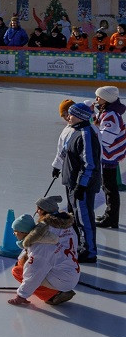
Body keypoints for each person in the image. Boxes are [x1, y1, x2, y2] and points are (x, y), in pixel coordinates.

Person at [8, 201, 79, 307]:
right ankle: (56, 289)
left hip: (64, 279)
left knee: (17, 271)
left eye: (15, 231)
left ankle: (53, 295)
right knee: (21, 264)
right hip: (70, 271)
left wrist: (21, 296)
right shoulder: (62, 227)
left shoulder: (41, 246)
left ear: (23, 232)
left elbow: (33, 273)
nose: (14, 234)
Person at [62, 101, 101, 263]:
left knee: (84, 219)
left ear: (79, 116)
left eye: (71, 114)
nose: (68, 117)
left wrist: (81, 185)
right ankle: (82, 246)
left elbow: (90, 164)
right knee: (78, 218)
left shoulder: (85, 135)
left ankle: (89, 251)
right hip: (74, 184)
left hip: (82, 186)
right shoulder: (76, 131)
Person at [93, 85, 124, 229]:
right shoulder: (107, 112)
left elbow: (105, 140)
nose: (96, 99)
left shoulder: (111, 115)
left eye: (99, 97)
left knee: (109, 188)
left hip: (109, 157)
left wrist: (93, 130)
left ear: (106, 99)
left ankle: (111, 218)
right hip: (108, 156)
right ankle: (109, 215)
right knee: (108, 187)